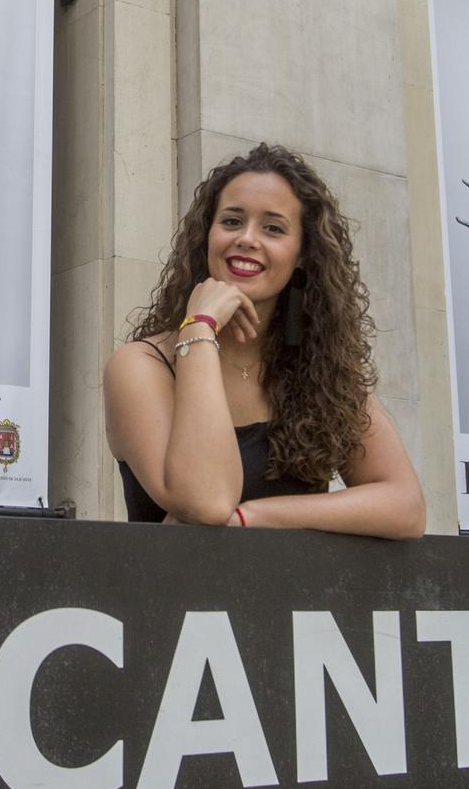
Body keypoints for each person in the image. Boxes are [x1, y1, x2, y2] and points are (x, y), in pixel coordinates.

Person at [103, 143, 425, 535]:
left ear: (303, 254)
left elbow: (405, 508)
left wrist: (251, 517)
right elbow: (207, 501)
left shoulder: (320, 371)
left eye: (273, 228)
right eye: (232, 221)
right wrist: (199, 329)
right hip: (177, 595)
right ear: (207, 236)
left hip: (297, 596)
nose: (247, 239)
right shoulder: (141, 366)